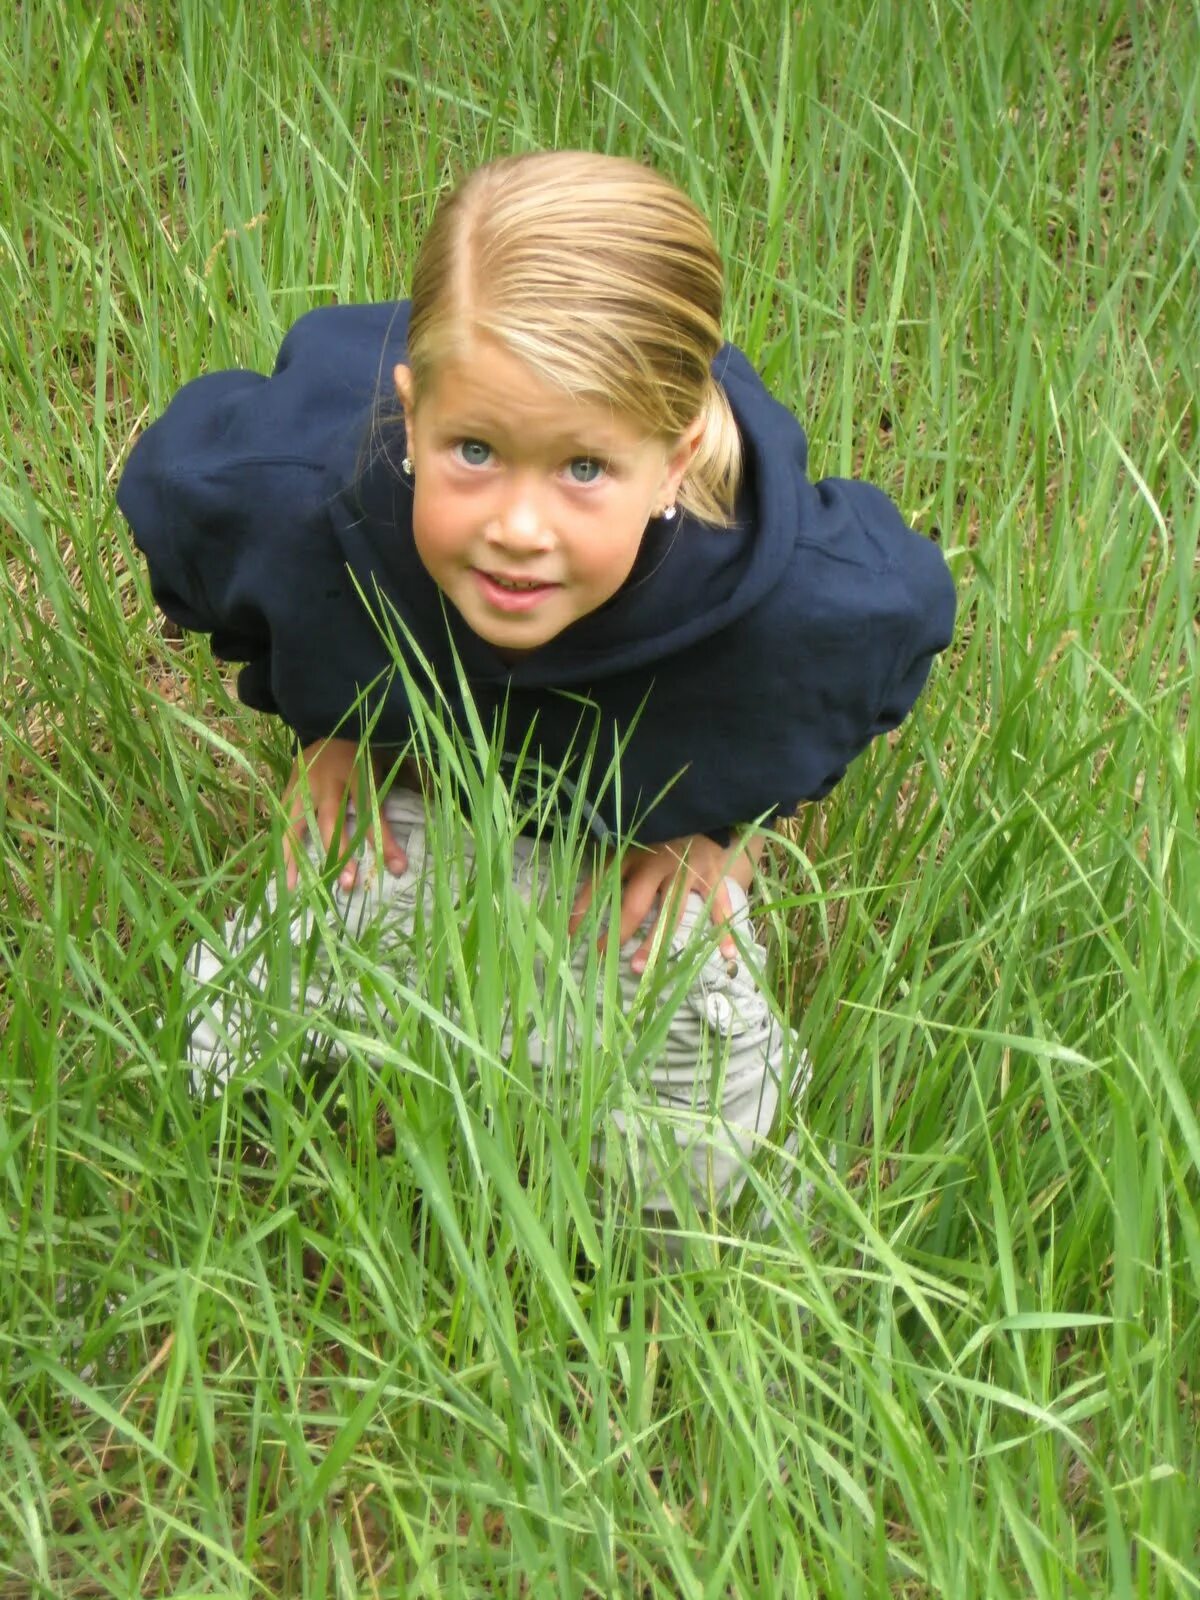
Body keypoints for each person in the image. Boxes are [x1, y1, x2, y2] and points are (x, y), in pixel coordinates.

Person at [117, 150, 955, 1224]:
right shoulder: (307, 505)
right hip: (428, 781)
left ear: (676, 450)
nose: (518, 526)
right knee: (229, 1052)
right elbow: (213, 539)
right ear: (411, 418)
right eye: (474, 449)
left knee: (696, 1175)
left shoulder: (781, 601)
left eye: (583, 469)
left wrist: (718, 821)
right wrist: (341, 725)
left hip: (625, 846)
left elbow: (884, 640)